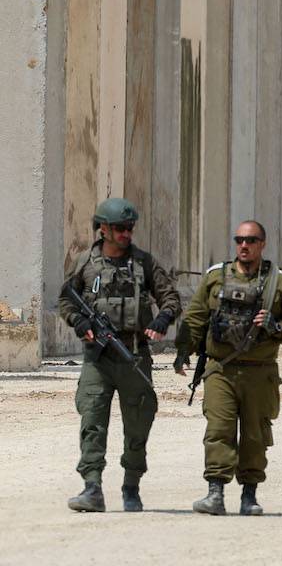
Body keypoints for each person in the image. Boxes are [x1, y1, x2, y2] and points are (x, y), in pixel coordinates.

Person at [175, 220, 282, 516]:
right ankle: (215, 493)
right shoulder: (215, 277)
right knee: (218, 429)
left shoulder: (279, 282)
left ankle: (249, 495)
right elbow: (195, 317)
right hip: (220, 370)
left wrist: (275, 326)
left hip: (260, 371)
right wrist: (184, 349)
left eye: (250, 240)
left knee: (255, 434)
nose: (244, 245)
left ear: (262, 244)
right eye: (239, 240)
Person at [58, 198, 181, 513]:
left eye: (130, 228)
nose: (127, 233)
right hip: (97, 359)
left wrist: (161, 320)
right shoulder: (86, 263)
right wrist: (80, 322)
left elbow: (171, 298)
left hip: (134, 354)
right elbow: (66, 300)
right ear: (103, 229)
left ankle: (131, 486)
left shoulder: (143, 264)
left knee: (138, 422)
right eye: (120, 228)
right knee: (92, 421)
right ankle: (92, 487)